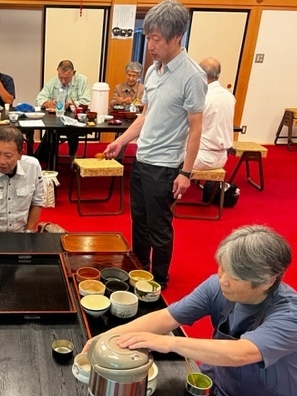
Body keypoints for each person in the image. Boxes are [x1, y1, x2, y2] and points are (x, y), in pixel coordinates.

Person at [84, 225, 297, 396]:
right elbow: (167, 318)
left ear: (267, 282)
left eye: (234, 277)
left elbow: (241, 353)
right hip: (222, 380)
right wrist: (104, 339)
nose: (223, 280)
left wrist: (170, 343)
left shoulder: (292, 316)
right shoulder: (218, 285)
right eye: (222, 268)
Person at [103, 0, 207, 289]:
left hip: (165, 167)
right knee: (139, 221)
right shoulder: (152, 71)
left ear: (176, 37)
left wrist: (186, 173)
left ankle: (158, 279)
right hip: (142, 159)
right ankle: (139, 271)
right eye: (148, 37)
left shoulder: (192, 76)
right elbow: (146, 116)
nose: (150, 44)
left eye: (156, 39)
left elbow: (196, 129)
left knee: (159, 227)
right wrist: (121, 142)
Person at [35, 60, 90, 163]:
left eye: (66, 78)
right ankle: (50, 160)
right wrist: (49, 103)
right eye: (61, 77)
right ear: (57, 72)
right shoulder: (53, 82)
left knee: (72, 130)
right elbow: (39, 99)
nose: (63, 81)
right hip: (56, 118)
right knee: (51, 130)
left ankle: (71, 157)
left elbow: (85, 101)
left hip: (74, 119)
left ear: (73, 73)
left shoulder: (82, 80)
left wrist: (70, 104)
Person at [194, 57, 236, 170]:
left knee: (166, 152)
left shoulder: (203, 97)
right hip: (222, 158)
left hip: (200, 157)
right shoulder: (230, 96)